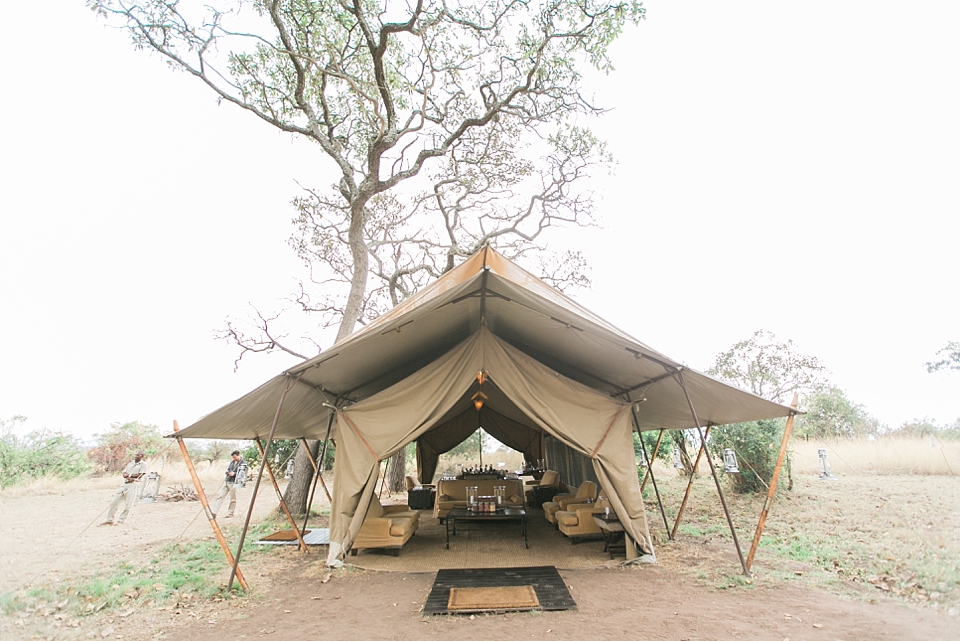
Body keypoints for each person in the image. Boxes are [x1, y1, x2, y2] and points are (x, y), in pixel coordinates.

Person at [100, 451, 148, 526]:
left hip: (133, 484)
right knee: (114, 502)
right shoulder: (131, 463)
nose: (135, 456)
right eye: (135, 454)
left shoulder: (143, 464)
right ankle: (109, 520)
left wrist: (129, 475)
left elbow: (140, 475)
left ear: (142, 456)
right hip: (125, 483)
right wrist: (128, 477)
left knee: (128, 504)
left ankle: (120, 521)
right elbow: (124, 472)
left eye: (138, 455)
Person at [211, 450, 247, 518]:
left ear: (239, 455)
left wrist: (234, 474)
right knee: (220, 496)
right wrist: (228, 472)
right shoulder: (232, 462)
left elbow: (243, 473)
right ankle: (214, 512)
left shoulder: (243, 463)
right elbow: (228, 469)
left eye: (235, 457)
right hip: (227, 481)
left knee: (232, 499)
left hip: (234, 483)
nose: (234, 458)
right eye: (233, 457)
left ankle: (230, 513)